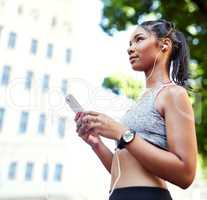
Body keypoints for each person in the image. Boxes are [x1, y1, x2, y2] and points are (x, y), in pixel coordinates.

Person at [74, 19, 198, 200]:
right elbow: (123, 173)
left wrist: (123, 133)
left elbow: (186, 174)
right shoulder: (140, 102)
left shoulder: (173, 94)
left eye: (139, 39)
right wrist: (96, 143)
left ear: (164, 45)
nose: (130, 48)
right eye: (130, 43)